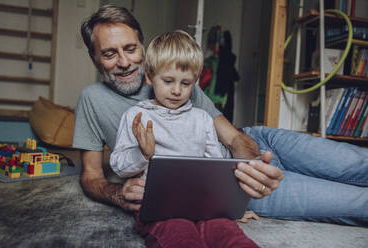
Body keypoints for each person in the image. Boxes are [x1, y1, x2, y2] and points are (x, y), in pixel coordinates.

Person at [73, 4, 368, 227]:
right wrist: (118, 194)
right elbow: (91, 175)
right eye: (110, 53)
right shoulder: (92, 99)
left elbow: (233, 137)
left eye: (131, 49)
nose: (125, 62)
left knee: (358, 162)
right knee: (356, 203)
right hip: (236, 185)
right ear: (94, 58)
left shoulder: (176, 79)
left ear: (143, 49)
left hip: (257, 147)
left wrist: (251, 163)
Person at [109, 30, 258, 247]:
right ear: (150, 76)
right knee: (181, 235)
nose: (177, 90)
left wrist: (227, 208)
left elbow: (216, 169)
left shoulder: (202, 118)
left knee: (229, 234)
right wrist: (143, 154)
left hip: (202, 204)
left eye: (186, 83)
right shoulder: (136, 117)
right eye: (168, 81)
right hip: (160, 209)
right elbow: (118, 166)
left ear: (195, 82)